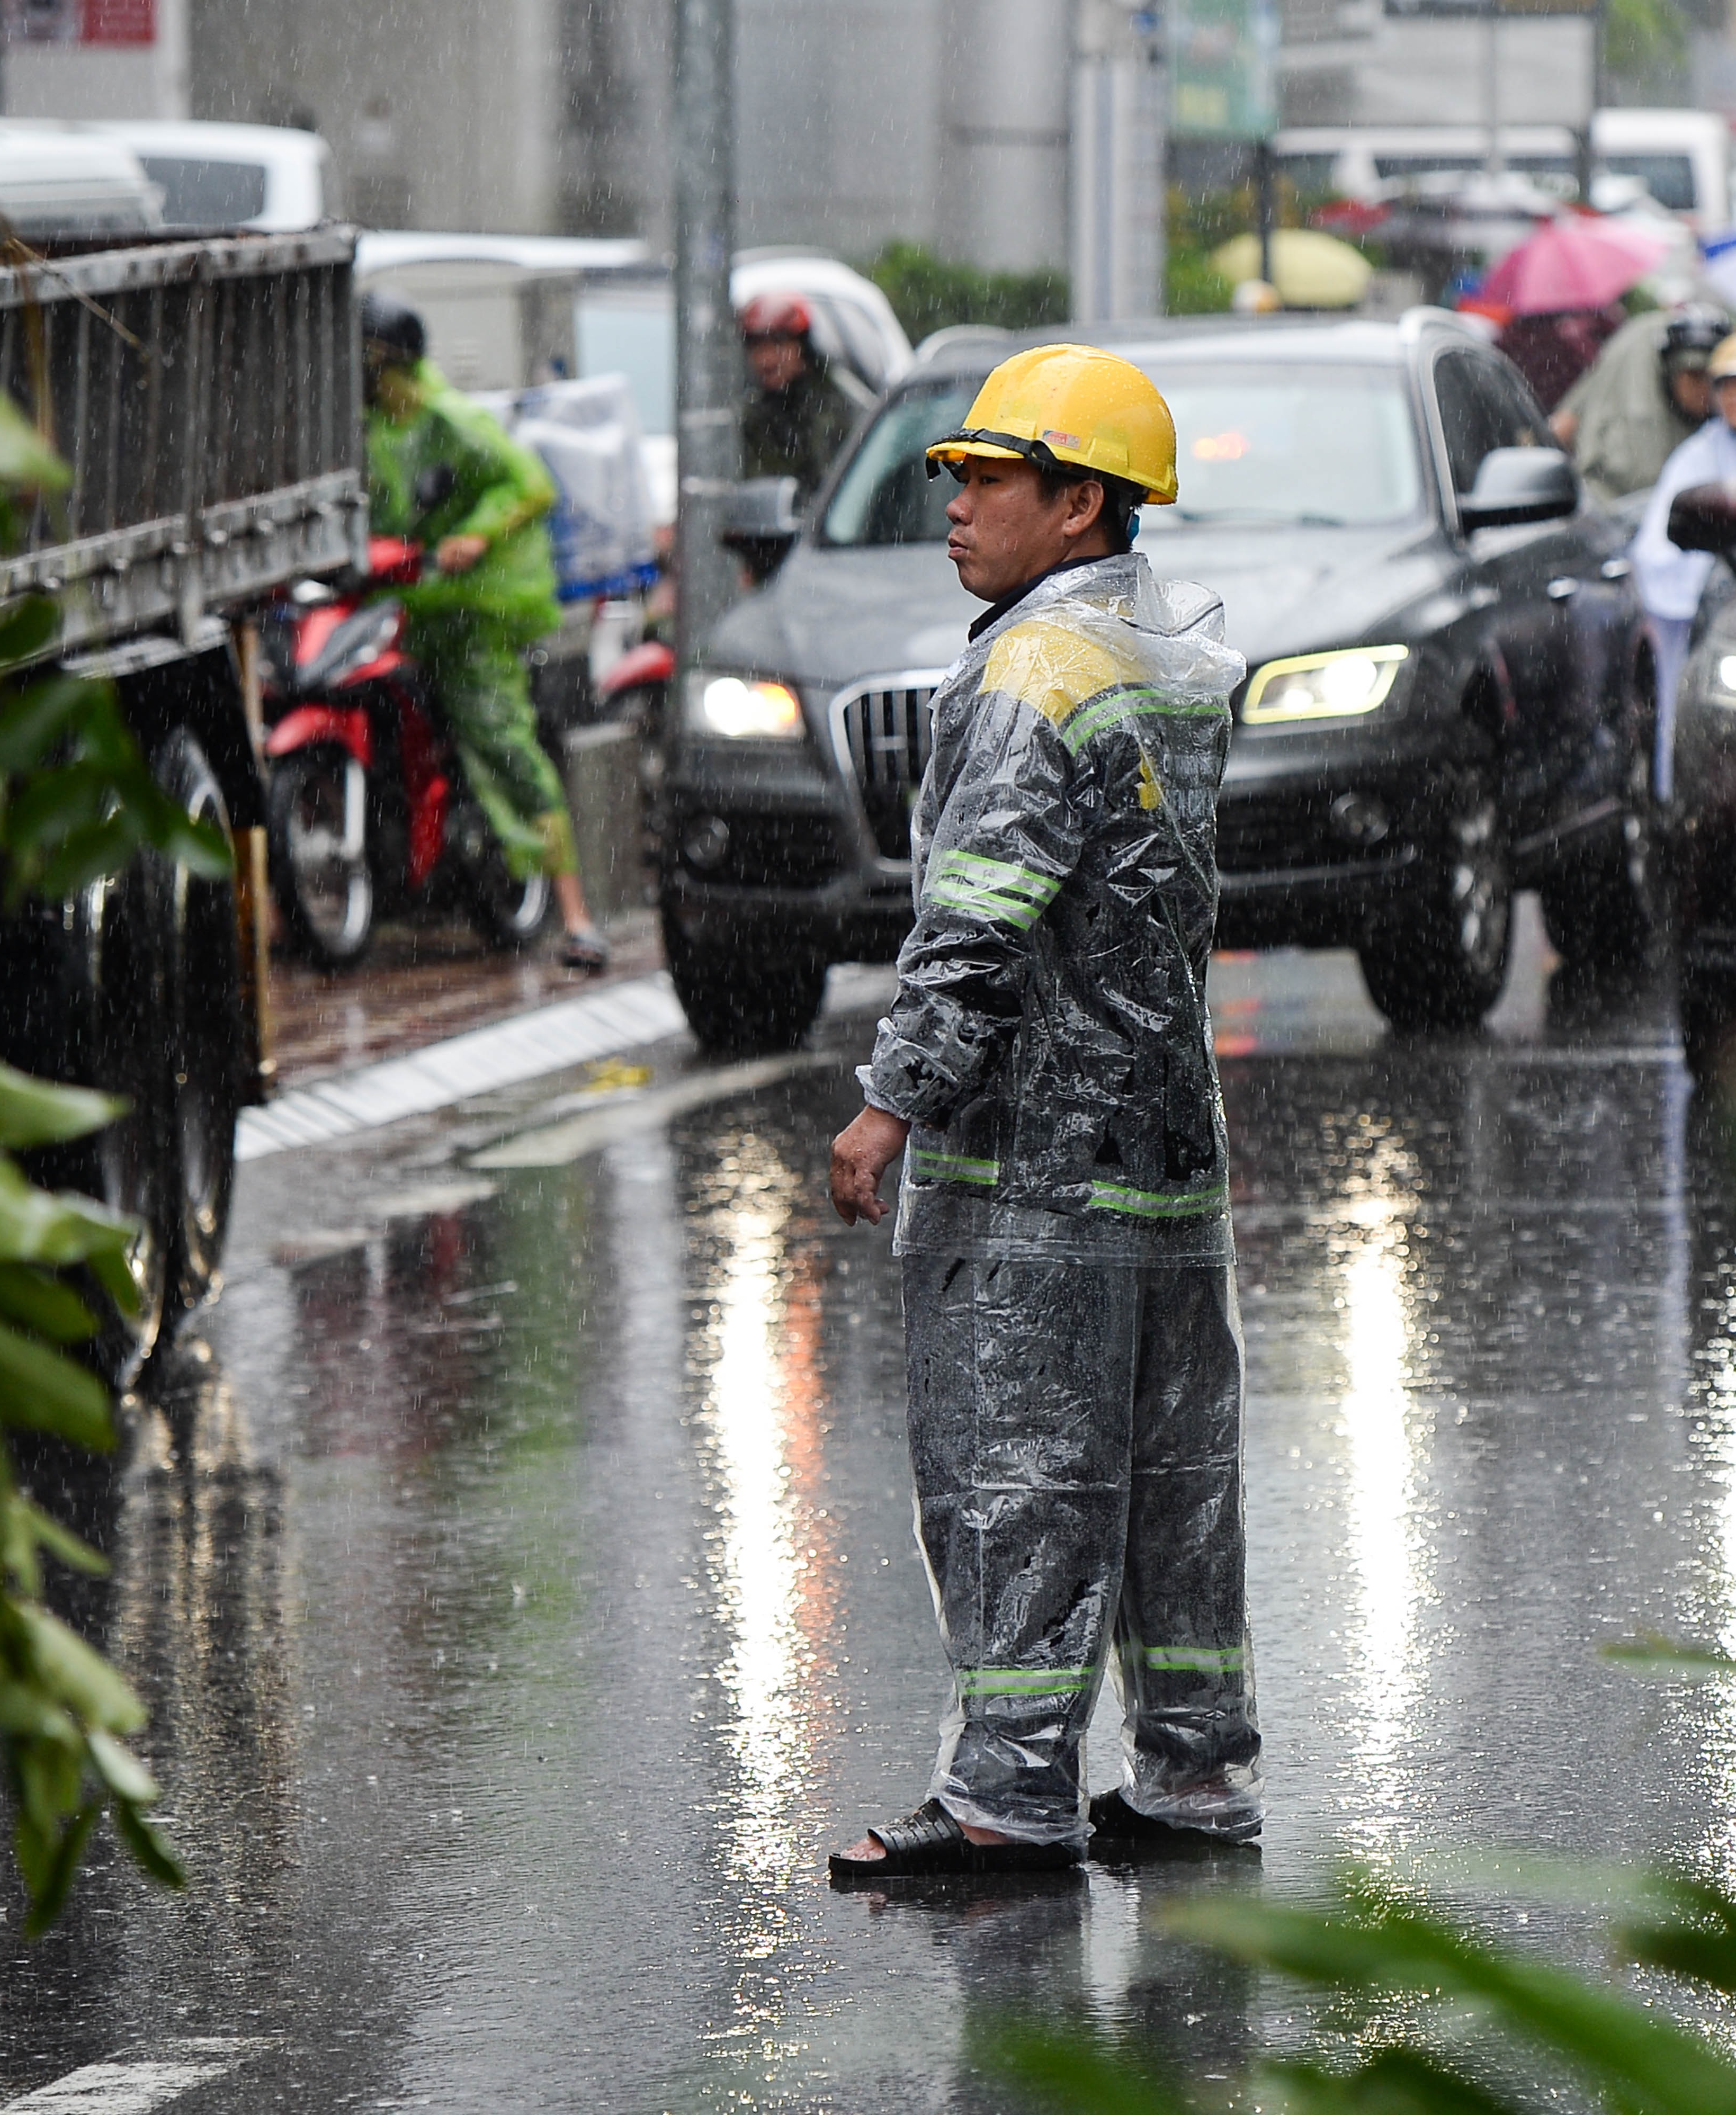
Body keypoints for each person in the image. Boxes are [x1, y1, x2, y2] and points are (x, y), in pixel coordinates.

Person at [821, 344, 1257, 1880]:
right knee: (1175, 1475)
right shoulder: (1179, 659)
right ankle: (1196, 1775)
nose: (955, 506)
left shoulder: (1027, 676)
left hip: (1036, 1168)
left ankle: (1011, 1788)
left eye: (987, 480)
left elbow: (979, 924)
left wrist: (892, 1105)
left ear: (1081, 505)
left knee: (1020, 1472)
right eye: (955, 477)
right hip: (1169, 1155)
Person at [359, 291, 611, 971]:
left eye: (374, 363)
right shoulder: (375, 430)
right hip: (416, 608)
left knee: (505, 745)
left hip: (481, 609)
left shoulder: (450, 421)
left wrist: (474, 536)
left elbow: (530, 485)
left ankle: (578, 916)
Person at [1630, 328, 1736, 796]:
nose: (1733, 399)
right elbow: (1656, 552)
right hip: (1718, 624)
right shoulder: (1699, 456)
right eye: (1724, 387)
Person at [1550, 303, 1725, 507]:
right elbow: (1563, 424)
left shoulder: (1726, 433)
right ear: (1669, 371)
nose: (1704, 390)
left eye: (1713, 379)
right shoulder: (1631, 367)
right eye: (1694, 376)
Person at [737, 292, 864, 498]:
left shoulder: (840, 407)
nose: (766, 360)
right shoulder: (752, 414)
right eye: (756, 346)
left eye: (778, 344)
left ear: (802, 347)